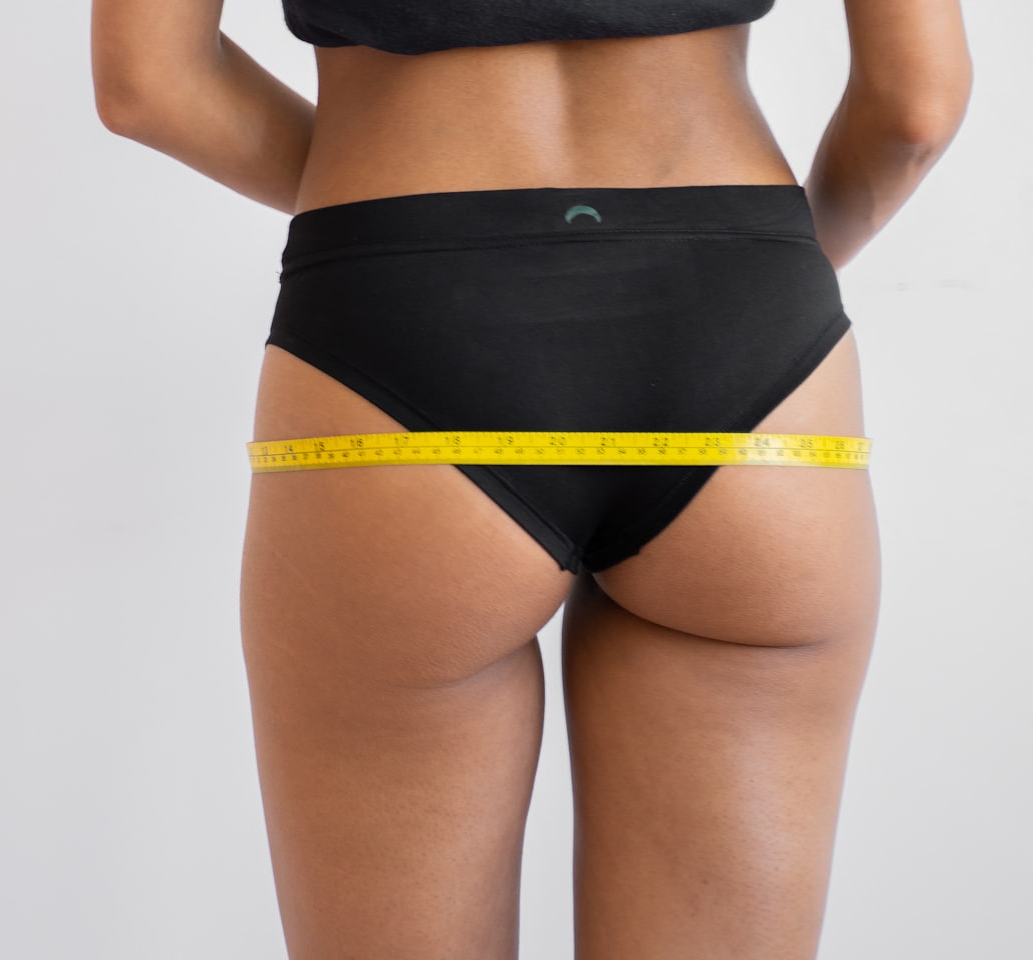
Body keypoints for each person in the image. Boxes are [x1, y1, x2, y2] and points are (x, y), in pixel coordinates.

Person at [91, 1, 972, 956]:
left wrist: (403, 217)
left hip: (402, 308)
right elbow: (916, 106)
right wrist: (752, 276)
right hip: (740, 323)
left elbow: (150, 81)